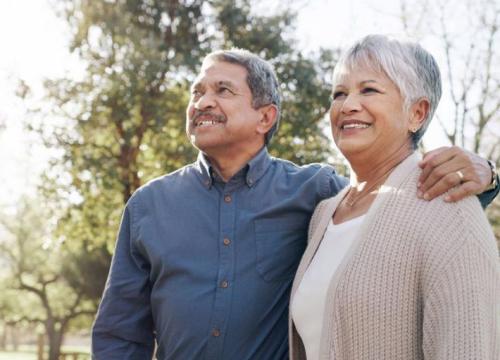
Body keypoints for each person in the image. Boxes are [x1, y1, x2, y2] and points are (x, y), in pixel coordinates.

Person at [92, 48, 499, 359]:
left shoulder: (317, 194)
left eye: (222, 91)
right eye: (197, 92)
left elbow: (393, 207)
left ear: (265, 118)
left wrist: (487, 177)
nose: (202, 102)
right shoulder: (148, 206)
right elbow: (120, 333)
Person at [289, 35, 500, 360]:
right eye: (339, 94)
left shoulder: (448, 208)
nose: (348, 105)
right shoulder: (324, 214)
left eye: (369, 90)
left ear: (417, 112)